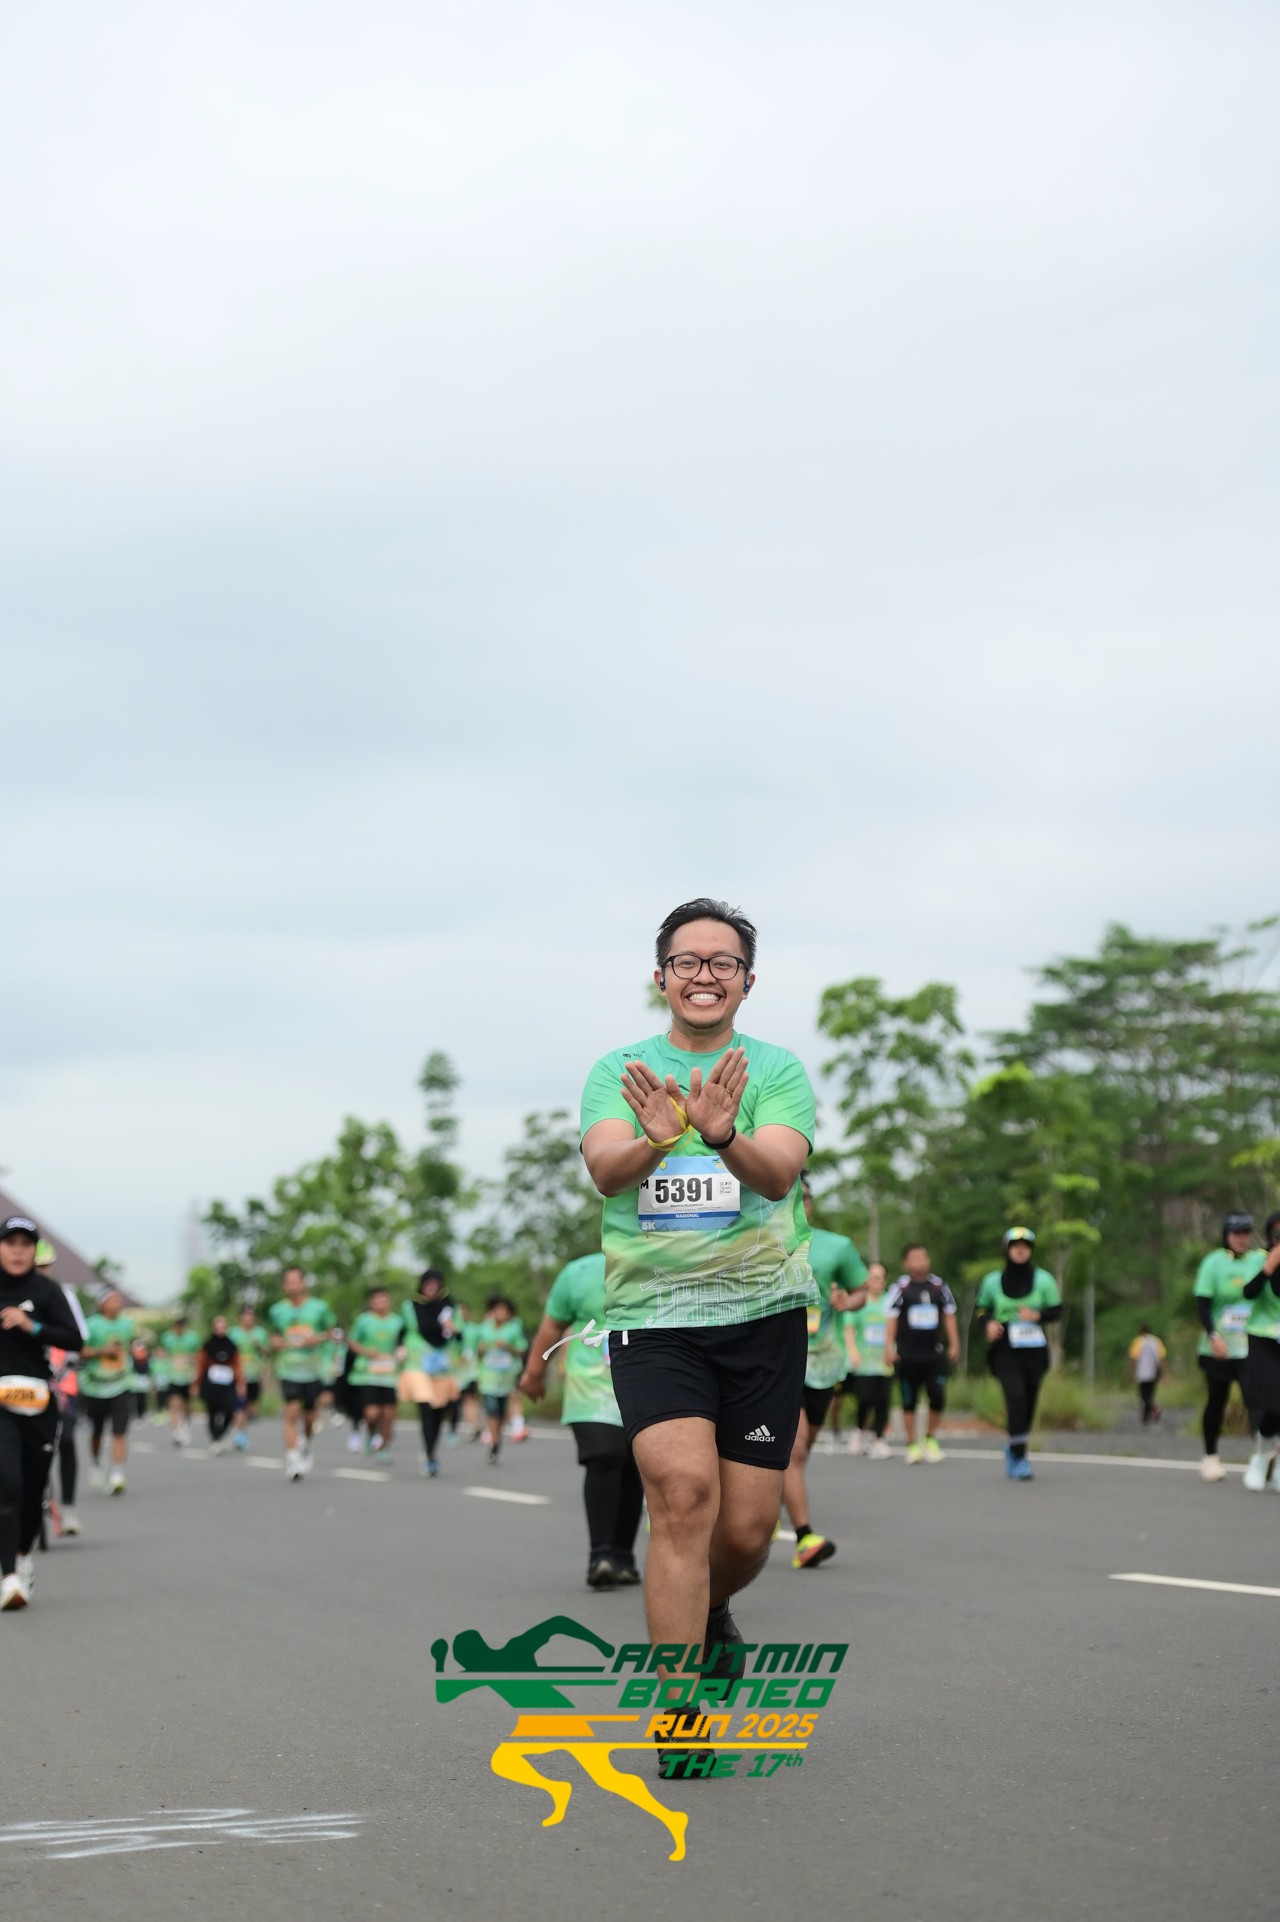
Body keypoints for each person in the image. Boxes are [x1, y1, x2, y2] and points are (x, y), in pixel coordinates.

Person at [580, 897, 816, 1769]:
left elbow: (779, 1172)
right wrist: (655, 1141)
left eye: (723, 962)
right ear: (662, 977)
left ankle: (709, 1606)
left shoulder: (776, 1070)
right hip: (656, 1319)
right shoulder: (620, 1070)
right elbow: (607, 1170)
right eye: (688, 961)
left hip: (762, 1316)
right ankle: (680, 1719)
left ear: (748, 981)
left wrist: (722, 1135)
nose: (705, 974)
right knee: (681, 1497)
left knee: (747, 1531)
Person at [522, 1251, 645, 1588]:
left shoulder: (659, 1260)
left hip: (643, 1384)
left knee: (636, 1465)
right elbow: (552, 1325)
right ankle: (601, 1555)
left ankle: (623, 1556)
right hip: (590, 1388)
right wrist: (534, 1374)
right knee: (606, 1456)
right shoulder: (578, 1273)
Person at [0, 1214, 84, 1610]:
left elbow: (74, 1339)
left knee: (33, 1492)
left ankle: (22, 1557)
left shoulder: (47, 1291)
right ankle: (8, 1577)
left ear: (34, 1251)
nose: (18, 1251)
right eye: (10, 1243)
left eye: (25, 1245)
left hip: (37, 1402)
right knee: (8, 1485)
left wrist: (30, 1326)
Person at [782, 1181, 867, 1567]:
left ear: (810, 1203)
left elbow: (861, 1290)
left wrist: (847, 1301)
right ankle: (805, 1538)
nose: (795, 1201)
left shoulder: (837, 1246)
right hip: (776, 1360)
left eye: (802, 1196)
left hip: (822, 1362)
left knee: (800, 1450)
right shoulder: (754, 1240)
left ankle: (765, 1502)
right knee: (794, 1449)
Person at [975, 1227, 1062, 1481]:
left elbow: (1057, 1311)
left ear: (1031, 1250)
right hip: (1005, 1348)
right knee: (1015, 1397)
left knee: (1029, 1401)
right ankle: (1019, 1455)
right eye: (1015, 1246)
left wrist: (1038, 1315)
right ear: (1007, 1249)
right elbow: (981, 1310)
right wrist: (988, 1324)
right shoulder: (992, 1281)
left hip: (1034, 1349)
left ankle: (1015, 1446)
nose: (1020, 1250)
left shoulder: (1044, 1280)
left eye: (1025, 1246)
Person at [1193, 1213, 1263, 1482]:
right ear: (1226, 1235)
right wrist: (1213, 1336)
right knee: (1216, 1400)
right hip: (1220, 1346)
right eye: (1236, 1233)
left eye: (1245, 1233)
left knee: (1257, 1401)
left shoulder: (1260, 1259)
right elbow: (1203, 1304)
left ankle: (1263, 1456)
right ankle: (1210, 1457)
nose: (1241, 1238)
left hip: (1252, 1344)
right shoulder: (1213, 1263)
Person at [885, 1244, 960, 1465]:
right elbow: (891, 1319)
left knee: (937, 1396)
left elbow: (949, 1315)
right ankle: (912, 1444)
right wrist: (889, 1347)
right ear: (906, 1263)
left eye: (924, 1257)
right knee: (909, 1400)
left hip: (933, 1353)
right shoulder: (901, 1288)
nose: (921, 1262)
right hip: (907, 1355)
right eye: (915, 1258)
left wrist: (954, 1343)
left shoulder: (939, 1286)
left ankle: (930, 1438)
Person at [267, 1266, 338, 1481]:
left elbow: (332, 1333)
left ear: (304, 1283)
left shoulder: (319, 1308)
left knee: (309, 1416)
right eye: (289, 1282)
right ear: (284, 1286)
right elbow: (274, 1335)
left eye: (296, 1281)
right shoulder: (277, 1310)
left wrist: (317, 1338)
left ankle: (305, 1443)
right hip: (288, 1368)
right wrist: (276, 1342)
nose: (293, 1286)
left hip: (314, 1369)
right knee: (291, 1411)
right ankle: (292, 1459)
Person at [401, 1270, 458, 1478]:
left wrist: (454, 1329)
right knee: (425, 1405)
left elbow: (460, 1335)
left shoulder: (450, 1307)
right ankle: (429, 1454)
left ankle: (431, 1449)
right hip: (418, 1365)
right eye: (428, 1284)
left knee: (439, 1410)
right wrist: (400, 1347)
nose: (431, 1288)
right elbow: (402, 1330)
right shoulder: (410, 1307)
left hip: (442, 1366)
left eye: (435, 1284)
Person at [80, 1288, 137, 1494]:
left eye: (119, 1300)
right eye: (112, 1300)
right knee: (97, 1430)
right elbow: (80, 1351)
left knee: (119, 1430)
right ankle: (96, 1462)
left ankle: (117, 1474)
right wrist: (102, 1351)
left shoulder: (128, 1325)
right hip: (95, 1386)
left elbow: (131, 1348)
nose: (117, 1304)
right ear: (101, 1303)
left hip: (121, 1383)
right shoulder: (91, 1325)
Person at [1241, 1211, 1280, 1492]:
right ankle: (1262, 1451)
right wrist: (1270, 1265)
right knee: (1274, 1402)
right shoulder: (1258, 1259)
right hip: (1262, 1339)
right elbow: (1249, 1292)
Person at [347, 1285, 406, 1460]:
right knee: (372, 1414)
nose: (381, 1302)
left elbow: (403, 1343)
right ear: (371, 1302)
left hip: (390, 1374)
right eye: (377, 1299)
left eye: (384, 1298)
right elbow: (352, 1342)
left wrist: (401, 1353)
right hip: (368, 1374)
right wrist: (366, 1352)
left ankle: (384, 1447)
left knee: (388, 1413)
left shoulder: (398, 1322)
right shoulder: (363, 1321)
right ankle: (372, 1433)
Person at [844, 1262, 894, 1457]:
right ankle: (859, 1431)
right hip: (864, 1362)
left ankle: (879, 1439)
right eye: (875, 1277)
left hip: (885, 1361)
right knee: (865, 1398)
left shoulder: (890, 1302)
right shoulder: (860, 1301)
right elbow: (849, 1329)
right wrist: (852, 1351)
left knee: (883, 1400)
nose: (878, 1281)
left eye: (882, 1278)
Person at [475, 1297, 526, 1466]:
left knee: (502, 1411)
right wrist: (481, 1350)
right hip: (488, 1377)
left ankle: (497, 1440)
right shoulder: (484, 1328)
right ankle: (494, 1442)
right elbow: (476, 1351)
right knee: (491, 1410)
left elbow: (522, 1350)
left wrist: (508, 1347)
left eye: (504, 1310)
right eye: (498, 1310)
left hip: (507, 1377)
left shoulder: (514, 1328)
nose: (501, 1314)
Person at [197, 1314, 244, 1454]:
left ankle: (221, 1433)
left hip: (228, 1383)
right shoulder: (208, 1345)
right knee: (212, 1411)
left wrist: (240, 1383)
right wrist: (197, 1383)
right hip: (211, 1383)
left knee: (229, 1409)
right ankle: (215, 1439)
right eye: (218, 1326)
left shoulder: (231, 1345)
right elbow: (201, 1365)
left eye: (223, 1326)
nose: (220, 1329)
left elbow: (237, 1365)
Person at [230, 1305, 271, 1451]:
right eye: (246, 1316)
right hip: (238, 1376)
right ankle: (238, 1433)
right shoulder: (233, 1333)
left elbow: (268, 1353)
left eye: (251, 1316)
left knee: (250, 1408)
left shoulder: (260, 1333)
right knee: (240, 1405)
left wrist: (259, 1347)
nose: (248, 1319)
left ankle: (242, 1431)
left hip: (255, 1375)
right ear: (240, 1318)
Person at [159, 1313, 202, 1447]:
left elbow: (199, 1356)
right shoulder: (167, 1338)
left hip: (188, 1377)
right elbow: (162, 1353)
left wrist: (189, 1360)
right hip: (173, 1376)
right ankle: (176, 1432)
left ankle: (186, 1425)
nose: (179, 1327)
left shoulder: (193, 1338)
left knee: (187, 1405)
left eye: (181, 1325)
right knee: (174, 1404)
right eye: (177, 1325)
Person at [1128, 1324, 1166, 1425]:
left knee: (1143, 1395)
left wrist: (1131, 1371)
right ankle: (1146, 1417)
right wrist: (1164, 1373)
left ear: (1141, 1332)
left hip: (1142, 1372)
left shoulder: (1138, 1341)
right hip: (1154, 1372)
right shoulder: (1156, 1341)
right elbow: (1161, 1358)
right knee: (1150, 1394)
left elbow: (1133, 1358)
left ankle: (1153, 1409)